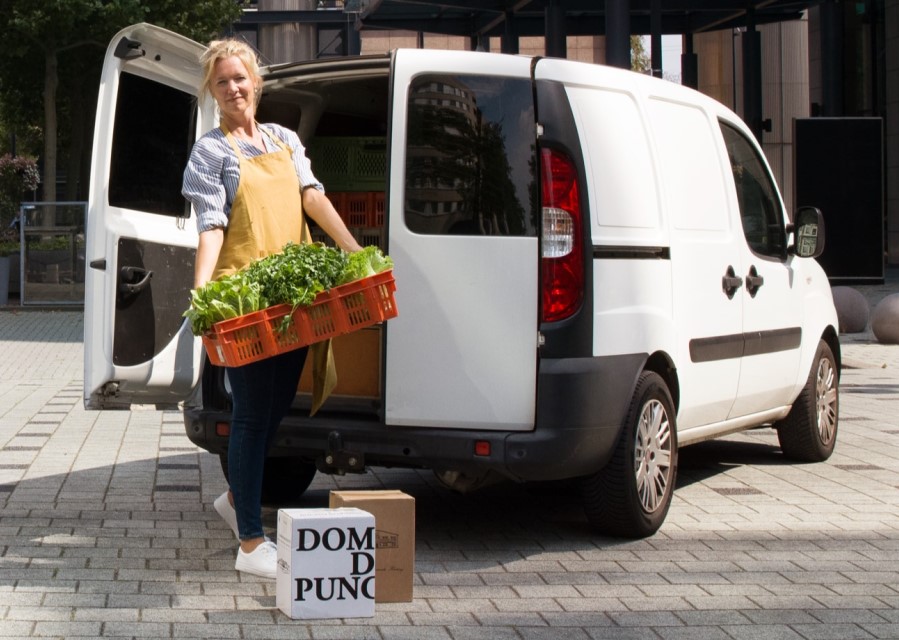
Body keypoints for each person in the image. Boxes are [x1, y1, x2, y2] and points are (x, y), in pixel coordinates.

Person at [182, 38, 362, 579]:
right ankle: (251, 544)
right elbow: (211, 227)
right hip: (246, 306)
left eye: (240, 78)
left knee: (279, 404)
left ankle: (238, 499)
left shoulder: (284, 139)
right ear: (211, 92)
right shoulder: (211, 152)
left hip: (293, 299)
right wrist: (203, 293)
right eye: (222, 82)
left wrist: (354, 251)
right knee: (252, 415)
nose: (233, 88)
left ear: (256, 82)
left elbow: (311, 196)